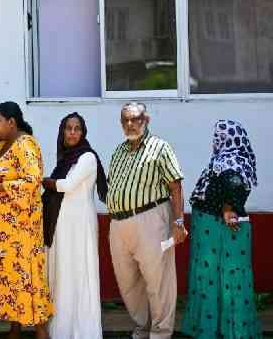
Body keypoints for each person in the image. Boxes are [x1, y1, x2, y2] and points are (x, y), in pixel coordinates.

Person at [107, 102, 186, 339]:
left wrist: (179, 222)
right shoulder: (119, 151)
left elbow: (176, 186)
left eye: (135, 119)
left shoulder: (160, 148)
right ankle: (142, 329)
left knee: (158, 281)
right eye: (125, 120)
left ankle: (160, 333)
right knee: (128, 283)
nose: (130, 124)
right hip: (118, 224)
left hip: (151, 219)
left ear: (146, 120)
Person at [182, 120, 262, 338]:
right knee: (216, 277)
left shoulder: (227, 161)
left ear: (226, 139)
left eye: (218, 137)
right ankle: (224, 328)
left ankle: (218, 330)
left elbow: (234, 182)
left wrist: (228, 207)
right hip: (212, 227)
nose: (215, 141)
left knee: (214, 276)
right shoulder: (235, 160)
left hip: (215, 226)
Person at [0, 101, 52, 339]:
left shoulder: (26, 144)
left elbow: (32, 181)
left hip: (21, 229)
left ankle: (41, 330)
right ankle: (15, 328)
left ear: (12, 122)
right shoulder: (0, 145)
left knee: (26, 276)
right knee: (8, 277)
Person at [41, 112, 107, 339]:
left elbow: (67, 185)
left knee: (79, 276)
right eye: (68, 128)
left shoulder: (87, 157)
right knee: (63, 276)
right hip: (62, 225)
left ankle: (83, 332)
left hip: (79, 226)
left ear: (83, 132)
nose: (72, 132)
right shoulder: (65, 159)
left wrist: (44, 181)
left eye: (77, 128)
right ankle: (62, 332)